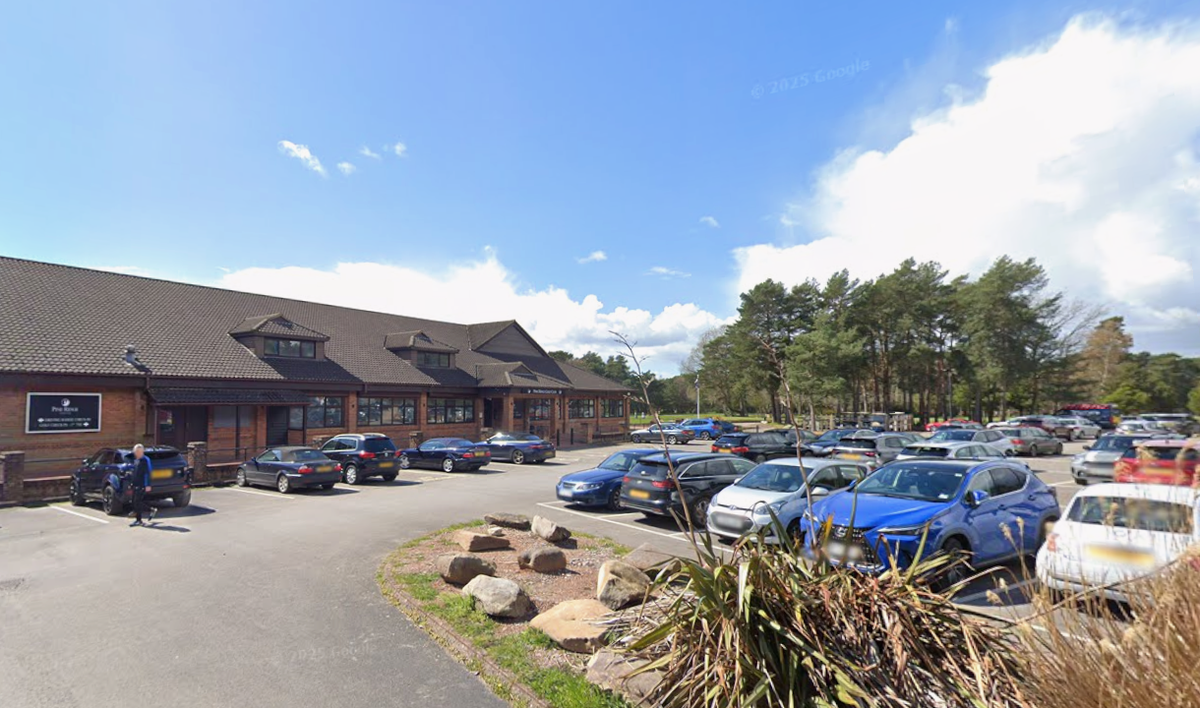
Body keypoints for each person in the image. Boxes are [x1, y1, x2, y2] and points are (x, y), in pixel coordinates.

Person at [128, 444, 156, 526]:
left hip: (142, 484)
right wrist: (131, 483)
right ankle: (151, 510)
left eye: (139, 451)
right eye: (136, 452)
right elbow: (135, 472)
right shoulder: (136, 460)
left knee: (137, 501)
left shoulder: (145, 460)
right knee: (134, 501)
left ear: (142, 451)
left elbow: (148, 473)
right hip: (136, 483)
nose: (137, 453)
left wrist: (147, 484)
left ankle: (139, 520)